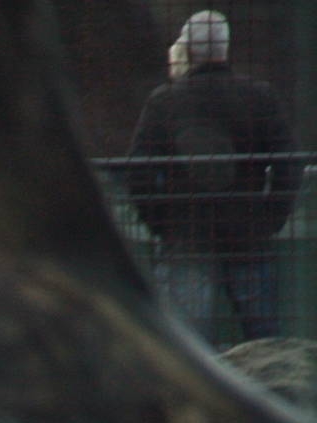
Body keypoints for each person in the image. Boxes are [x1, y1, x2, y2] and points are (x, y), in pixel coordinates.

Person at [126, 10, 300, 342]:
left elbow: (139, 173)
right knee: (265, 341)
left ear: (188, 49)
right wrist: (269, 220)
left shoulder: (165, 102)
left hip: (185, 236)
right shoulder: (258, 98)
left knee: (187, 348)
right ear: (226, 49)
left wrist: (161, 223)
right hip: (247, 235)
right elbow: (288, 167)